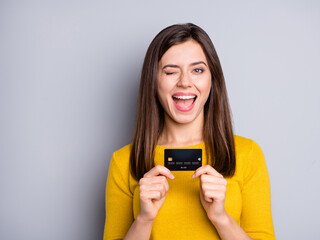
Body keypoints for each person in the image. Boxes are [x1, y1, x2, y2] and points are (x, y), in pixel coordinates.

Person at [103, 23, 276, 240]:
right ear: (153, 80)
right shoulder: (123, 162)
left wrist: (221, 218)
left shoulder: (248, 154)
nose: (185, 82)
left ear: (212, 78)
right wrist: (144, 219)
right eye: (170, 71)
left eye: (197, 70)